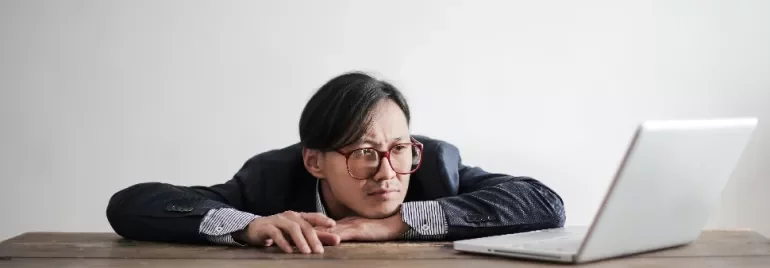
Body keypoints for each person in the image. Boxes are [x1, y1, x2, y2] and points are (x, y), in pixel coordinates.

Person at [106, 71, 566, 254]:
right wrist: (248, 226)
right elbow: (129, 205)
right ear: (314, 161)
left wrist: (396, 224)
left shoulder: (435, 166)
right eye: (364, 153)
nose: (388, 172)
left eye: (399, 148)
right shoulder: (270, 179)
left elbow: (544, 203)